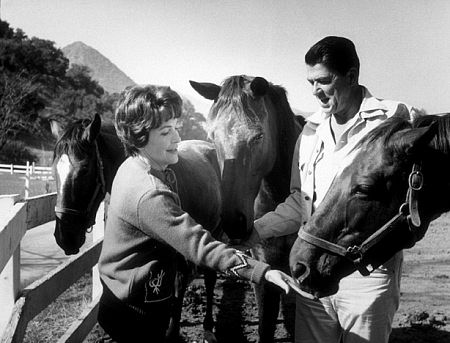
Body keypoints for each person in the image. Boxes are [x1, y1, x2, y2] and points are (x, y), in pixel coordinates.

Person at [245, 36, 415, 343]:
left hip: (368, 278)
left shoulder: (393, 120)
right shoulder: (310, 133)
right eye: (311, 82)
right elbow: (301, 202)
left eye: (324, 81)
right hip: (315, 272)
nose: (315, 91)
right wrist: (256, 229)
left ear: (351, 76)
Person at [97, 84, 293, 342]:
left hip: (134, 299)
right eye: (166, 132)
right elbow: (198, 246)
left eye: (176, 128)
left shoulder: (134, 167)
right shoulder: (149, 193)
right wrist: (262, 272)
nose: (178, 139)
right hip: (136, 314)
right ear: (139, 137)